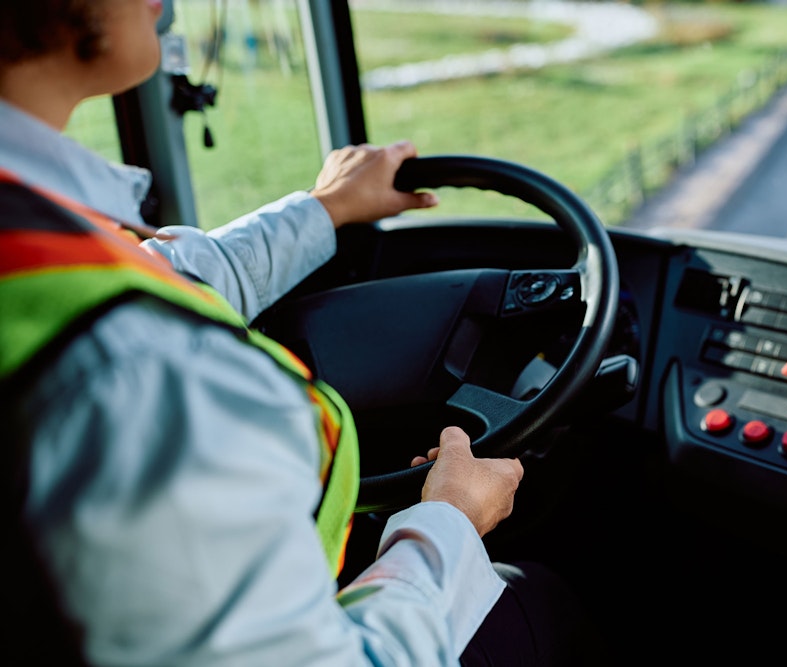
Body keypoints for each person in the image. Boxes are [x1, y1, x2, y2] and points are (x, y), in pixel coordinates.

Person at [0, 1, 605, 664]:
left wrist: (324, 209)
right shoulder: (138, 371)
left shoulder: (36, 242)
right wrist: (450, 520)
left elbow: (157, 274)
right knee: (541, 600)